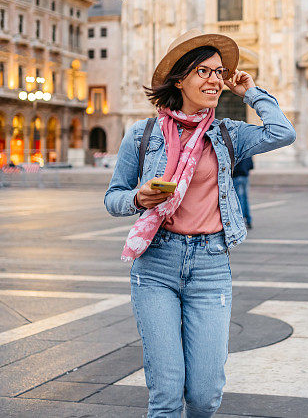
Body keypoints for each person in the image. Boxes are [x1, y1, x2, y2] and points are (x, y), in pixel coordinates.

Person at [105, 29, 295, 417]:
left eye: (219, 72)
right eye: (204, 72)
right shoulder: (142, 135)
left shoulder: (227, 133)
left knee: (205, 393)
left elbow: (282, 132)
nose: (215, 81)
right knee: (167, 393)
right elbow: (113, 197)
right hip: (156, 264)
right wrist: (138, 198)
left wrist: (251, 93)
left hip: (210, 265)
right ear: (180, 79)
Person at [232, 156, 254, 229]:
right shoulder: (247, 151)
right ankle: (248, 220)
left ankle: (240, 221)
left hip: (236, 176)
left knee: (238, 200)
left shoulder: (236, 150)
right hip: (245, 176)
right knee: (245, 198)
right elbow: (251, 165)